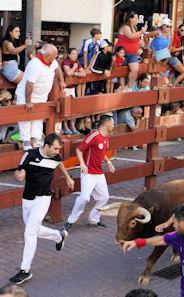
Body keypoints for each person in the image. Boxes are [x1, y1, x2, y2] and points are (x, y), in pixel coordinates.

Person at [9, 134, 74, 284]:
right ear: (47, 145)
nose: (58, 151)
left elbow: (60, 164)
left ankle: (24, 270)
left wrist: (68, 177)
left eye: (59, 148)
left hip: (43, 198)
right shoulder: (30, 155)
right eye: (56, 148)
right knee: (34, 229)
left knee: (30, 232)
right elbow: (18, 172)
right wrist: (19, 175)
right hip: (28, 198)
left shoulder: (56, 157)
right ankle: (59, 236)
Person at [123, 205, 184, 297]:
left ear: (181, 224)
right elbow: (162, 239)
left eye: (174, 223)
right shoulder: (178, 236)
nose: (173, 226)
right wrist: (137, 242)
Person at [64, 115, 115, 231]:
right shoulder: (93, 136)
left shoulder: (106, 137)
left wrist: (108, 162)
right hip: (88, 173)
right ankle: (70, 221)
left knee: (104, 197)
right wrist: (82, 163)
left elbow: (102, 153)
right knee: (84, 198)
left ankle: (94, 219)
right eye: (112, 123)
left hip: (99, 173)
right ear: (106, 124)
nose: (113, 125)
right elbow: (79, 149)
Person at [15, 44, 66, 151]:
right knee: (26, 118)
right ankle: (26, 141)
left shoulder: (52, 61)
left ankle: (36, 138)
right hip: (27, 96)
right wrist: (28, 101)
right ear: (46, 56)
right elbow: (29, 85)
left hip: (41, 96)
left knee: (38, 117)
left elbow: (57, 69)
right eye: (53, 56)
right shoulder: (35, 64)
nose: (55, 59)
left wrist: (61, 81)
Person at [115, 12, 148, 90]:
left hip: (132, 54)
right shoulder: (125, 27)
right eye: (136, 18)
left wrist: (142, 45)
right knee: (122, 72)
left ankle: (128, 88)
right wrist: (142, 31)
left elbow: (137, 40)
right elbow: (130, 36)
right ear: (131, 18)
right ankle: (122, 88)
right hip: (122, 53)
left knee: (135, 69)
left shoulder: (135, 27)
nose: (137, 20)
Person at [150, 17, 184, 86]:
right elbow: (171, 48)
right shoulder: (159, 33)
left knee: (183, 72)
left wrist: (167, 57)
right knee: (158, 73)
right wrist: (182, 48)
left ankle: (172, 85)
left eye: (170, 27)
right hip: (160, 55)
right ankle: (169, 83)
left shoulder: (171, 34)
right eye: (182, 30)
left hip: (167, 55)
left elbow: (170, 48)